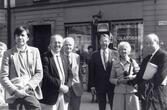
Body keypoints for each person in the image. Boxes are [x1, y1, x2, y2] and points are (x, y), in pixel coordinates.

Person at [0, 26, 43, 110]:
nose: (20, 37)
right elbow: (3, 76)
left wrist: (27, 87)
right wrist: (15, 91)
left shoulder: (35, 51)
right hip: (14, 91)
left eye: (22, 35)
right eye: (17, 35)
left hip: (29, 89)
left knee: (36, 107)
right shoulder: (8, 54)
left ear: (27, 37)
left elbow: (39, 73)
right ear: (15, 38)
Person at [128, 33, 167, 110]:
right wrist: (129, 82)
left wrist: (144, 85)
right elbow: (140, 75)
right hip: (146, 95)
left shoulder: (163, 55)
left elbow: (160, 77)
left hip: (157, 94)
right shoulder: (147, 58)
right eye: (146, 43)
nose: (148, 45)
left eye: (150, 43)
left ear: (157, 42)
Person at [40, 34, 72, 110]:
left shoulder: (64, 57)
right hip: (51, 95)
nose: (57, 45)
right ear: (50, 44)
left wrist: (67, 86)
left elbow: (70, 74)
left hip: (64, 94)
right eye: (55, 42)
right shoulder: (45, 57)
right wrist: (60, 86)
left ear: (62, 45)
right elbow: (45, 75)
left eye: (59, 43)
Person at [89, 34, 118, 110]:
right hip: (99, 85)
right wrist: (92, 86)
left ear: (109, 42)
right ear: (99, 42)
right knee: (101, 106)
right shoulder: (94, 55)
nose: (104, 43)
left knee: (114, 105)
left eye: (106, 41)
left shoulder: (116, 53)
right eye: (102, 41)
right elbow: (92, 71)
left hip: (112, 84)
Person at [109, 41, 140, 110]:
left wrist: (132, 77)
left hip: (131, 92)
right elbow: (111, 79)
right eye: (121, 49)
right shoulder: (115, 63)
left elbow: (139, 75)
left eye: (125, 49)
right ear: (118, 51)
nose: (123, 51)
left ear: (128, 51)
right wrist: (119, 81)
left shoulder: (133, 62)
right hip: (119, 92)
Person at [63, 37, 83, 110]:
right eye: (66, 45)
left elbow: (79, 73)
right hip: (64, 89)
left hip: (76, 89)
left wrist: (81, 86)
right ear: (63, 46)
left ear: (73, 46)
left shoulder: (77, 57)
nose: (68, 46)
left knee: (76, 108)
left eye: (70, 45)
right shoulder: (60, 56)